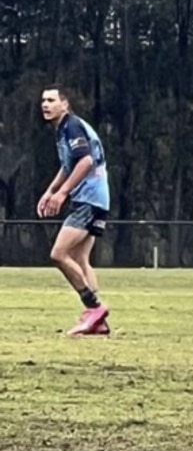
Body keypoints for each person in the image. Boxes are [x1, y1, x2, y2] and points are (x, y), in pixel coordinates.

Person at [38, 87, 112, 336]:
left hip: (88, 199)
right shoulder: (64, 130)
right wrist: (50, 190)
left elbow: (85, 161)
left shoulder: (71, 127)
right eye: (43, 100)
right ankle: (98, 322)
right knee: (81, 260)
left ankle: (94, 308)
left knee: (58, 254)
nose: (45, 105)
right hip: (97, 198)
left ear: (65, 104)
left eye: (51, 100)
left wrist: (62, 193)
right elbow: (68, 164)